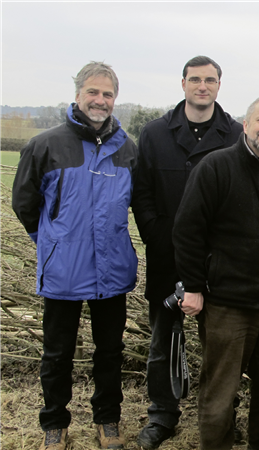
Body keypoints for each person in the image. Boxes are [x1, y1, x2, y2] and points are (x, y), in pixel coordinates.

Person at [12, 61, 138, 450]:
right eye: (93, 92)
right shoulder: (46, 144)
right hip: (64, 270)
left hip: (113, 270)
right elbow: (24, 203)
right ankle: (55, 422)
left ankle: (108, 420)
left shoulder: (128, 148)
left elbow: (140, 202)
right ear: (78, 93)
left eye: (108, 94)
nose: (100, 100)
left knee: (110, 352)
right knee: (57, 353)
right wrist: (51, 240)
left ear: (115, 99)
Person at [172, 97, 259, 450]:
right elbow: (187, 231)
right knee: (221, 388)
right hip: (228, 303)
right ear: (245, 125)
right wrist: (194, 287)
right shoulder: (216, 167)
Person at [131, 55, 243, 449]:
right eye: (195, 80)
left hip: (218, 264)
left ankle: (223, 415)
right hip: (166, 256)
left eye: (210, 80)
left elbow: (242, 200)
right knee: (164, 341)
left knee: (223, 347)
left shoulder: (236, 134)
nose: (202, 86)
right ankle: (162, 415)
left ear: (218, 85)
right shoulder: (155, 133)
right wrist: (162, 239)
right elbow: (141, 194)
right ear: (182, 84)